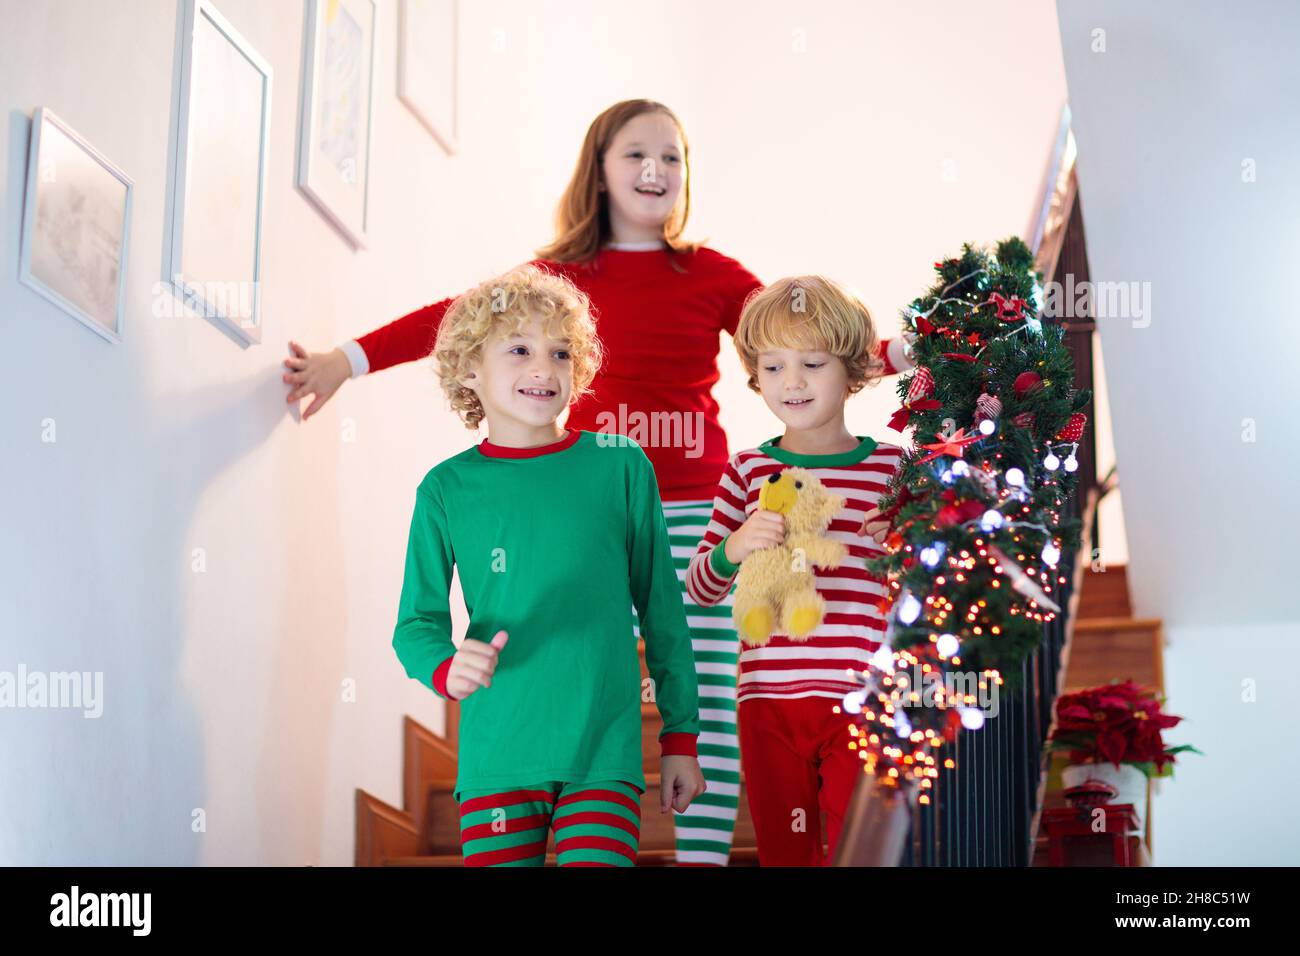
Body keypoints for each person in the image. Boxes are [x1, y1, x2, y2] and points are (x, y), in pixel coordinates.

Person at [286, 98, 912, 865]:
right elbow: (452, 321)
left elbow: (802, 336)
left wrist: (898, 351)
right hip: (590, 509)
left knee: (709, 693)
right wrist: (344, 361)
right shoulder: (552, 281)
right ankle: (553, 784)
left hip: (696, 503)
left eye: (672, 158)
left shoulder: (710, 274)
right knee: (578, 650)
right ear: (600, 169)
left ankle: (701, 859)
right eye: (635, 155)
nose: (655, 171)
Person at [392, 264, 704, 866]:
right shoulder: (446, 489)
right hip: (497, 755)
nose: (543, 368)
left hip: (602, 753)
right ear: (469, 371)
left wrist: (680, 738)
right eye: (519, 349)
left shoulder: (621, 466)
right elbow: (416, 625)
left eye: (560, 353)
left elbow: (663, 613)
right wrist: (445, 670)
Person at [684, 275, 904, 866]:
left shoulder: (892, 467)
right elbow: (700, 588)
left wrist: (903, 547)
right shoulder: (746, 470)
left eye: (812, 363)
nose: (793, 382)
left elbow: (927, 588)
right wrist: (735, 547)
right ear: (756, 376)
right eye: (774, 366)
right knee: (787, 853)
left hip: (862, 697)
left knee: (861, 847)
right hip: (766, 703)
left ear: (854, 370)